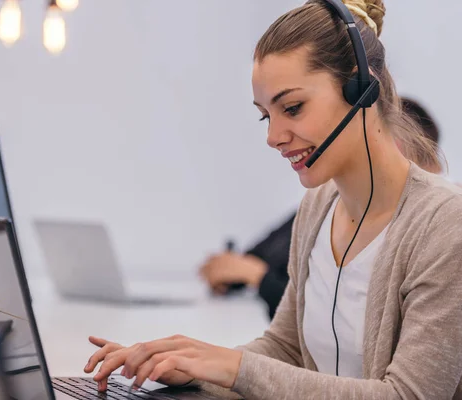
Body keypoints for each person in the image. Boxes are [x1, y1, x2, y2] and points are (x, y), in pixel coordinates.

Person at [83, 0, 462, 397]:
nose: (273, 136)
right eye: (267, 115)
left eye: (292, 108)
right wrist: (192, 365)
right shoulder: (318, 207)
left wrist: (231, 367)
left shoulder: (444, 225)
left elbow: (408, 395)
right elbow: (286, 348)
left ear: (361, 88)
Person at [199, 96, 443, 320]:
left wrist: (257, 276)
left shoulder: (436, 224)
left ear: (395, 147)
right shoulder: (333, 205)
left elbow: (338, 313)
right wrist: (235, 272)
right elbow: (272, 252)